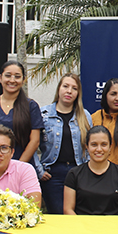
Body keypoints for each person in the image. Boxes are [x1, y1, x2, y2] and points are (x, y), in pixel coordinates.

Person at [0, 60, 43, 175]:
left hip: (20, 171)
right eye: (8, 76)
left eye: (17, 76)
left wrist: (17, 168)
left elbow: (34, 141)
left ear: (23, 80)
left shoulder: (31, 106)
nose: (12, 80)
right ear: (0, 78)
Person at [39, 73, 92, 214]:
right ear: (59, 89)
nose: (69, 91)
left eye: (74, 88)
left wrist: (88, 170)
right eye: (65, 86)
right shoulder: (43, 114)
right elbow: (31, 144)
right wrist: (39, 170)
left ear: (78, 93)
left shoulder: (84, 116)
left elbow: (89, 146)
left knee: (77, 215)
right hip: (52, 174)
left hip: (78, 172)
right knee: (58, 215)